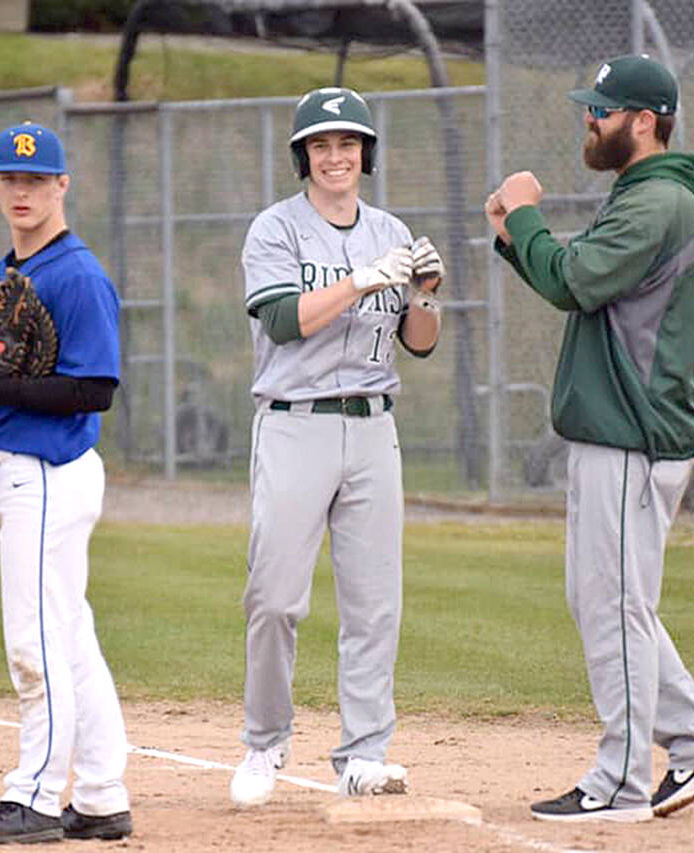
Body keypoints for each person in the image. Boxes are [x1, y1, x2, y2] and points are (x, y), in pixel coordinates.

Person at [484, 55, 694, 822]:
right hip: (622, 428)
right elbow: (578, 279)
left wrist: (526, 214)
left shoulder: (658, 199)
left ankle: (623, 780)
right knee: (603, 600)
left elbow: (573, 281)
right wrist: (514, 238)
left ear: (643, 120)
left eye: (602, 109)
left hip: (633, 432)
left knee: (617, 607)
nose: (588, 120)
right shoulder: (644, 195)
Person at [230, 86, 445, 807]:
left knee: (374, 602)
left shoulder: (392, 227)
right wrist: (360, 281)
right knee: (274, 597)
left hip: (373, 425)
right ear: (303, 156)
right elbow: (287, 320)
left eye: (347, 144)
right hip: (296, 421)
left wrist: (425, 294)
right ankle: (264, 742)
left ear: (366, 153)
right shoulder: (275, 229)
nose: (335, 157)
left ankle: (364, 753)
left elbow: (418, 344)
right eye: (321, 145)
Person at [0, 122, 132, 843]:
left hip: (52, 472)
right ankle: (101, 794)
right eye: (9, 178)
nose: (21, 191)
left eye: (36, 179)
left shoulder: (78, 276)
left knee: (35, 643)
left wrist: (4, 385)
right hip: (17, 471)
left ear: (62, 184)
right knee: (70, 637)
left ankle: (34, 795)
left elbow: (94, 390)